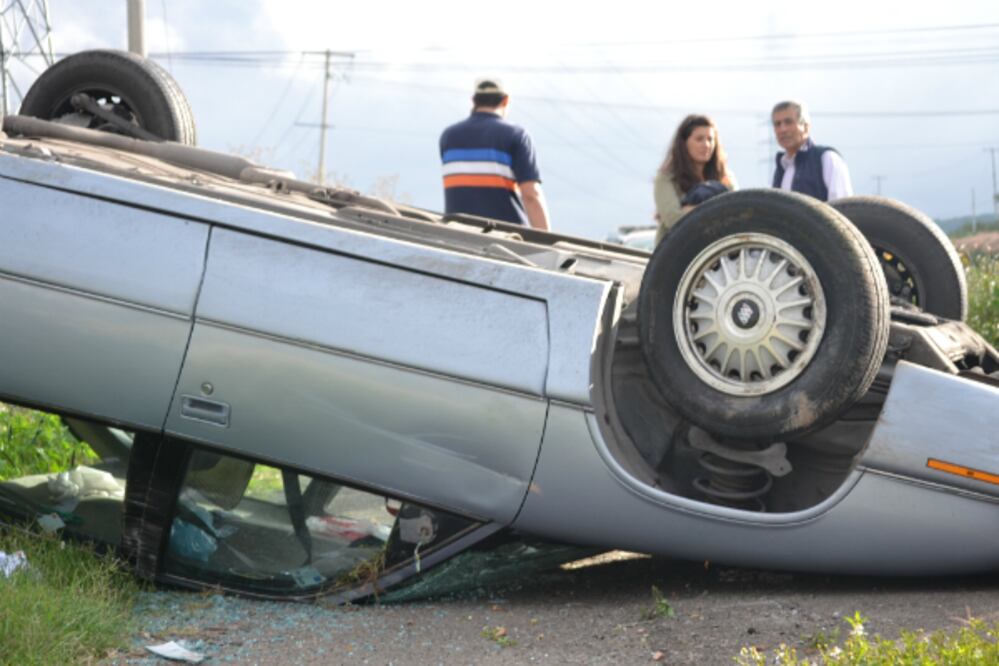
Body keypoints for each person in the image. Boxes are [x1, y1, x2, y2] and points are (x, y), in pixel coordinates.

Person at [439, 79, 551, 231]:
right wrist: (547, 241)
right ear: (505, 100)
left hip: (458, 233)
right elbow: (531, 195)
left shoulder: (449, 137)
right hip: (507, 237)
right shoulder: (516, 135)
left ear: (474, 101)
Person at [653, 114, 736, 244]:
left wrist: (691, 209)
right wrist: (717, 210)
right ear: (684, 143)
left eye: (710, 139)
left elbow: (737, 212)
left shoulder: (726, 177)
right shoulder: (666, 178)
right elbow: (673, 219)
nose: (706, 145)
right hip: (677, 251)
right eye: (699, 139)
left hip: (717, 253)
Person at [771, 100, 852, 201]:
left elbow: (843, 209)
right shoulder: (782, 168)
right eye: (777, 124)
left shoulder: (826, 159)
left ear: (805, 127)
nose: (783, 129)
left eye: (788, 122)